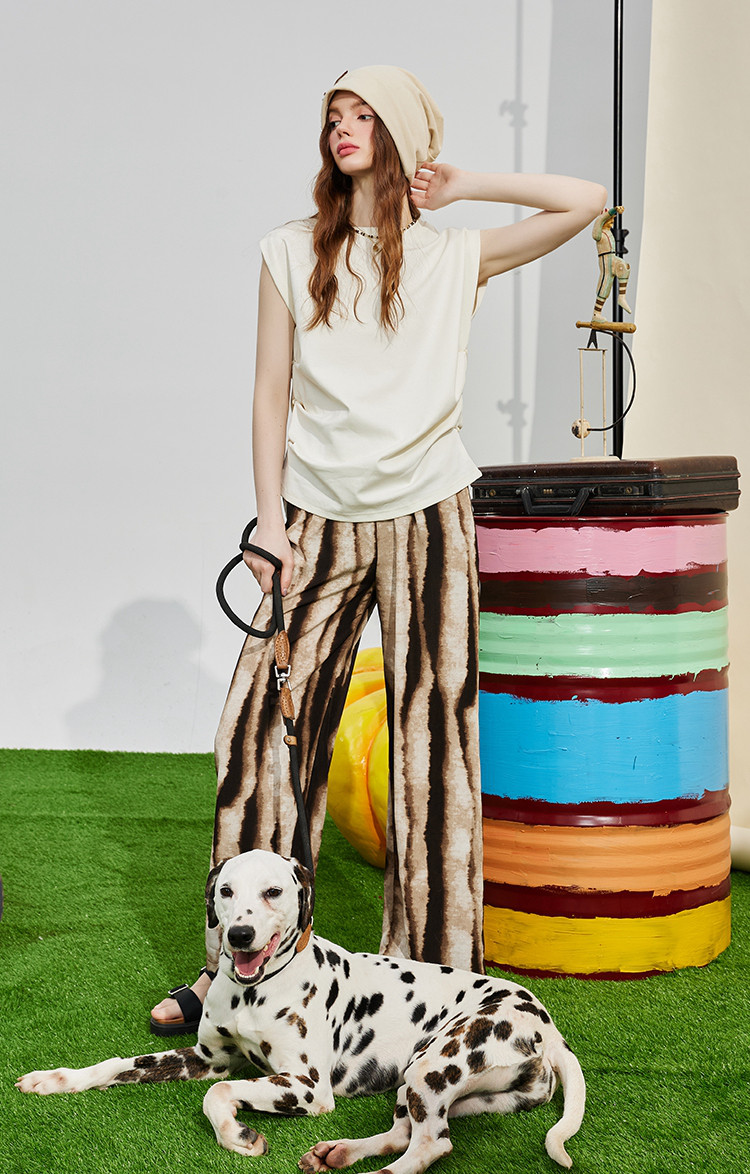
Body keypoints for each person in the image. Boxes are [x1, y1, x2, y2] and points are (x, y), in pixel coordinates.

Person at [151, 65, 606, 1035]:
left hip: (431, 512)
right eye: (334, 115)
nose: (343, 128)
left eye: (364, 115)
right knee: (258, 734)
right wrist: (267, 521)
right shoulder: (287, 250)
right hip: (315, 515)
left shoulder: (455, 254)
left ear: (402, 136)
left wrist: (467, 183)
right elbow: (269, 390)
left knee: (434, 744)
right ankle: (233, 972)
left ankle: (437, 981)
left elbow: (588, 200)